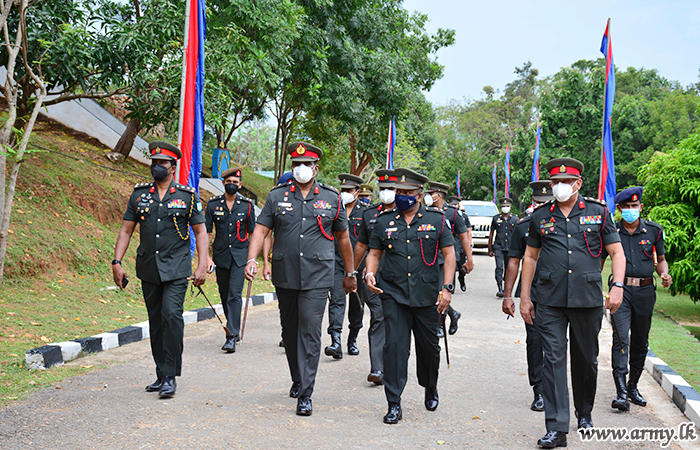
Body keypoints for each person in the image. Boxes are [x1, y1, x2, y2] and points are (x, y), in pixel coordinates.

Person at [519, 157, 626, 449]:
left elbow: (616, 253)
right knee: (552, 360)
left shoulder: (598, 212)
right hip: (549, 300)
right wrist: (525, 297)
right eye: (555, 182)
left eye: (566, 182)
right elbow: (530, 257)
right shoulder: (540, 216)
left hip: (587, 298)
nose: (560, 187)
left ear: (578, 184)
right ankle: (556, 428)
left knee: (585, 360)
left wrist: (617, 287)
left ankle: (585, 413)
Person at [244, 142, 357, 416]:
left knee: (310, 329)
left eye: (306, 164)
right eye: (296, 164)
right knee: (290, 331)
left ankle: (306, 392)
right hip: (286, 275)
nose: (301, 169)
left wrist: (350, 272)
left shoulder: (331, 198)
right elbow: (260, 230)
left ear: (316, 168)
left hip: (319, 276)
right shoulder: (277, 196)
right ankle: (298, 377)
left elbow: (343, 237)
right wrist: (252, 258)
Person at [111, 140, 208, 399]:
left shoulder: (187, 196)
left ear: (172, 167)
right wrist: (116, 262)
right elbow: (126, 230)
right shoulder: (140, 195)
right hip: (149, 268)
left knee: (171, 316)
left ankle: (171, 374)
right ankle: (161, 372)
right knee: (156, 320)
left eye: (162, 163)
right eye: (154, 163)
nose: (157, 167)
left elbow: (201, 232)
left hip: (176, 269)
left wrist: (201, 264)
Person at [365, 168, 455, 424]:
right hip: (393, 294)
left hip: (427, 296)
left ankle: (430, 386)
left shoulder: (437, 220)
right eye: (399, 192)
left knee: (429, 350)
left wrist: (447, 289)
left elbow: (449, 255)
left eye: (408, 193)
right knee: (393, 349)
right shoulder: (383, 220)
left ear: (419, 194)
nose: (402, 196)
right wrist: (369, 274)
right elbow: (374, 253)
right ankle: (394, 402)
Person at [604, 186, 672, 412]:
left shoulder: (654, 230)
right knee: (621, 339)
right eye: (627, 207)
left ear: (641, 207)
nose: (631, 210)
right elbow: (599, 260)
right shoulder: (611, 232)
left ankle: (633, 386)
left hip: (644, 293)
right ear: (620, 209)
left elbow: (660, 259)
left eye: (635, 206)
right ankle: (621, 392)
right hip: (620, 292)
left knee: (641, 340)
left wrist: (664, 273)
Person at [502, 180, 553, 412]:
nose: (543, 205)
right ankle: (539, 389)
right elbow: (514, 261)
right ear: (533, 201)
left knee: (557, 343)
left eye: (547, 201)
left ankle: (556, 388)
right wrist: (508, 295)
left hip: (561, 292)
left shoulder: (565, 224)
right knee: (535, 342)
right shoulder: (523, 226)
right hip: (532, 292)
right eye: (539, 201)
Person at [352, 169, 397, 384]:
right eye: (384, 188)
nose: (386, 192)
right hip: (375, 277)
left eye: (391, 188)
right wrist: (351, 271)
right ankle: (377, 368)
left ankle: (395, 363)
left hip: (402, 279)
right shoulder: (370, 214)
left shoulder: (410, 214)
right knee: (378, 318)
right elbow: (361, 245)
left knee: (397, 322)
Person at [205, 167, 256, 353]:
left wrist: (252, 260)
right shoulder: (213, 205)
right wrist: (207, 258)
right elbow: (206, 233)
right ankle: (233, 329)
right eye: (229, 182)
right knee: (225, 295)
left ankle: (230, 335)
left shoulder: (247, 205)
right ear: (223, 183)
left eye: (235, 182)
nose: (232, 185)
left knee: (235, 294)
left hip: (240, 257)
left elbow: (253, 234)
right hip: (220, 257)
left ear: (240, 185)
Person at [324, 173, 367, 360]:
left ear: (357, 192)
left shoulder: (366, 212)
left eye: (349, 191)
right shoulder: (333, 208)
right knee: (336, 300)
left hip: (359, 265)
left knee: (357, 304)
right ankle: (335, 341)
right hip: (336, 262)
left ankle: (353, 339)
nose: (344, 194)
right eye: (342, 190)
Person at [425, 181, 474, 335]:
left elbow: (464, 237)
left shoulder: (453, 213)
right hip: (428, 258)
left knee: (442, 293)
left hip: (446, 260)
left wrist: (469, 258)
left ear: (438, 195)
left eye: (430, 193)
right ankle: (453, 314)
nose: (427, 196)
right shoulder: (425, 211)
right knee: (430, 293)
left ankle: (440, 325)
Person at [488, 197, 519, 298]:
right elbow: (491, 234)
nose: (505, 208)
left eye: (507, 206)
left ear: (510, 207)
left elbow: (518, 234)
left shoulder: (515, 219)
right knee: (499, 267)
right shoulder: (496, 218)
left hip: (510, 247)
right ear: (500, 207)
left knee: (508, 268)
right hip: (498, 247)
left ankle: (507, 288)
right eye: (503, 206)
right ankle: (500, 288)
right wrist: (490, 249)